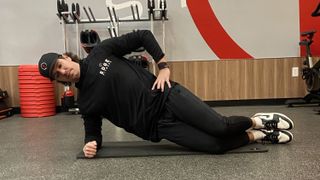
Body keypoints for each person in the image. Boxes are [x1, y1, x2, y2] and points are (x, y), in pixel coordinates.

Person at [38, 30, 294, 158]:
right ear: (59, 81)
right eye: (57, 74)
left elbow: (144, 35)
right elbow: (93, 130)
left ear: (65, 57)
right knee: (214, 146)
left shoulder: (101, 52)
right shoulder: (86, 102)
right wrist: (90, 143)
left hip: (167, 96)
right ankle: (257, 135)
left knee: (219, 126)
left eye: (61, 65)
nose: (63, 71)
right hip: (158, 127)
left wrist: (163, 67)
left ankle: (259, 120)